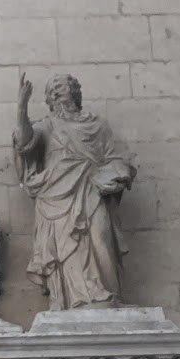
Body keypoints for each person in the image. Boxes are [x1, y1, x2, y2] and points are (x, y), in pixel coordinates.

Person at [14, 72, 137, 309]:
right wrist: (21, 108)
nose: (58, 92)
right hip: (57, 199)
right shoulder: (47, 126)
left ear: (74, 92)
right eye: (53, 90)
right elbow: (23, 142)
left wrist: (116, 174)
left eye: (62, 87)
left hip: (92, 190)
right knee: (67, 249)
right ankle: (74, 301)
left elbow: (117, 157)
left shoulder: (98, 126)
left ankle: (106, 295)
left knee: (100, 237)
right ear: (50, 100)